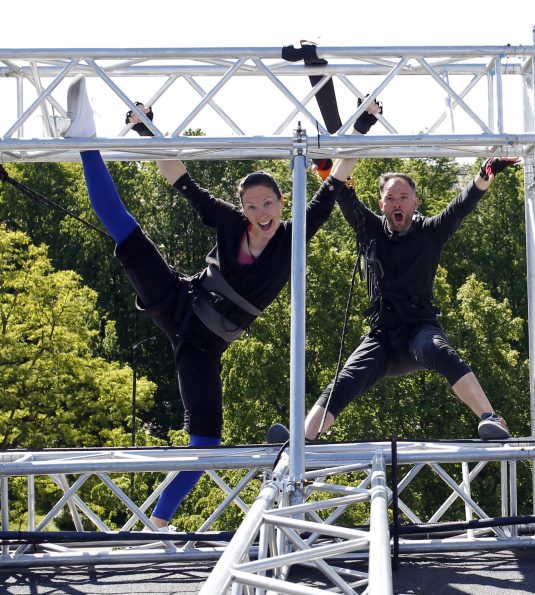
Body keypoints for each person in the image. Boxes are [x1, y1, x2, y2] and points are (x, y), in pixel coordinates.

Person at [60, 76, 380, 529]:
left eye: (268, 204)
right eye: (252, 207)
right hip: (179, 300)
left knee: (206, 443)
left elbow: (337, 181)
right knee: (123, 229)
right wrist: (147, 130)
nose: (261, 215)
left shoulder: (294, 236)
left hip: (203, 348)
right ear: (242, 208)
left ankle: (159, 521)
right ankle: (86, 143)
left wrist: (362, 126)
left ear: (282, 202)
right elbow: (179, 177)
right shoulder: (230, 224)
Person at [302, 158, 519, 441]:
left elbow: (462, 205)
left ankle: (491, 419)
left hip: (419, 327)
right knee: (345, 380)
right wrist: (324, 165)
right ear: (382, 206)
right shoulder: (369, 229)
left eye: (403, 198)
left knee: (440, 351)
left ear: (415, 202)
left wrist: (484, 174)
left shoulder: (430, 232)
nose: (397, 204)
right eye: (390, 199)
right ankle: (303, 439)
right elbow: (342, 192)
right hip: (382, 335)